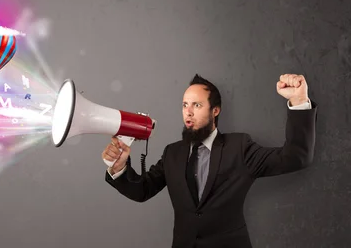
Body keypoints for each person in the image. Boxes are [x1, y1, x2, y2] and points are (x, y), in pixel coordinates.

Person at [102, 73, 317, 248]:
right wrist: (119, 168)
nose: (188, 112)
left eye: (196, 105)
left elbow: (295, 157)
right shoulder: (172, 153)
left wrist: (298, 102)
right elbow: (142, 191)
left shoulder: (239, 148)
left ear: (215, 110)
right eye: (185, 105)